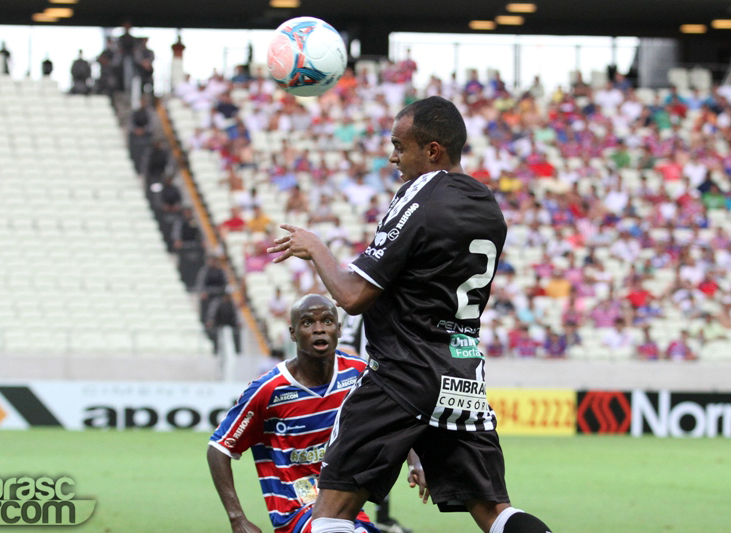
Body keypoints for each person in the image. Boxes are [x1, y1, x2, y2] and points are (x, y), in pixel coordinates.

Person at [267, 96, 551, 533]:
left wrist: (316, 248)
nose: (393, 157)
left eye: (400, 147)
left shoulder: (422, 193)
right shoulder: (487, 205)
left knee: (330, 514)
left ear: (433, 151)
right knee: (495, 512)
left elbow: (353, 296)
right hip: (462, 377)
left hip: (401, 373)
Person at [207, 294, 380, 533]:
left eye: (327, 321)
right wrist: (238, 519)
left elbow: (393, 410)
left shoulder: (357, 373)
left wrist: (415, 463)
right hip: (297, 513)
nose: (319, 329)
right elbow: (219, 448)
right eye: (308, 323)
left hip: (345, 507)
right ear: (293, 333)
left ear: (339, 330)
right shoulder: (269, 390)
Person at [337, 313, 413, 533]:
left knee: (384, 455)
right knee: (358, 458)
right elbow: (345, 348)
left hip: (383, 388)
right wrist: (373, 372)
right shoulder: (359, 308)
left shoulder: (385, 306)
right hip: (366, 389)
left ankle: (381, 517)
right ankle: (342, 516)